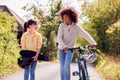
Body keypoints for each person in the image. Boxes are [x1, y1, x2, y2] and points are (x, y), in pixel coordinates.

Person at [57, 7, 97, 80]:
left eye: (66, 17)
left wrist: (92, 42)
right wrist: (63, 46)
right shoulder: (61, 26)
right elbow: (59, 38)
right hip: (61, 48)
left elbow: (85, 34)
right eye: (63, 17)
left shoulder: (76, 27)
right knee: (62, 66)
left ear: (71, 16)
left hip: (70, 49)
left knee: (66, 66)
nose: (64, 18)